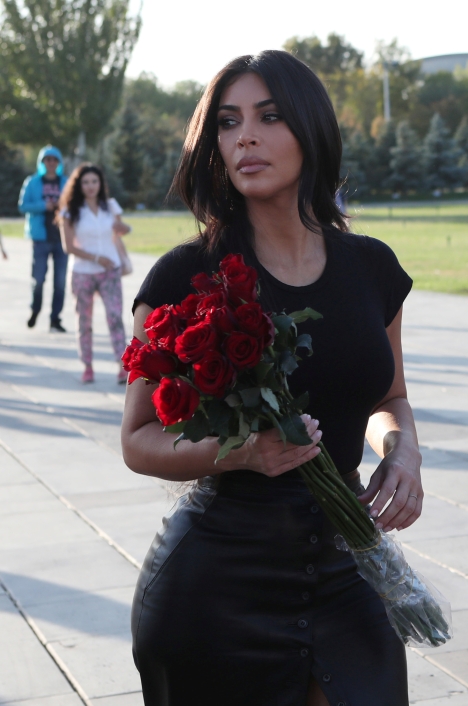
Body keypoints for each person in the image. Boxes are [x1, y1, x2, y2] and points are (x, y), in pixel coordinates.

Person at [121, 51, 422, 706]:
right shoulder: (183, 277)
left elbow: (388, 396)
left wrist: (404, 453)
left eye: (269, 117)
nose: (245, 137)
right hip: (216, 589)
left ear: (310, 130)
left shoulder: (372, 267)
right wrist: (239, 452)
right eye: (228, 123)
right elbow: (138, 439)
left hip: (348, 571)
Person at [58, 164, 131, 384]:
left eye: (94, 181)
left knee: (115, 317)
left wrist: (123, 227)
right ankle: (87, 366)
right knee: (84, 321)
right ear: (79, 186)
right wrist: (97, 258)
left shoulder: (110, 205)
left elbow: (123, 230)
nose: (91, 186)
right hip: (82, 272)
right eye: (86, 182)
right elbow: (68, 247)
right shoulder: (69, 211)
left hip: (110, 270)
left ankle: (123, 366)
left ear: (101, 184)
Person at [18, 145, 68, 331]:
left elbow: (74, 204)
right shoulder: (32, 182)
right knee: (38, 279)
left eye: (54, 160)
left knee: (60, 282)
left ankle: (55, 318)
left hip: (62, 238)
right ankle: (35, 309)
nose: (51, 163)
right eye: (48, 159)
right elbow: (23, 206)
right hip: (40, 238)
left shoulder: (66, 181)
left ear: (59, 162)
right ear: (42, 162)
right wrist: (44, 206)